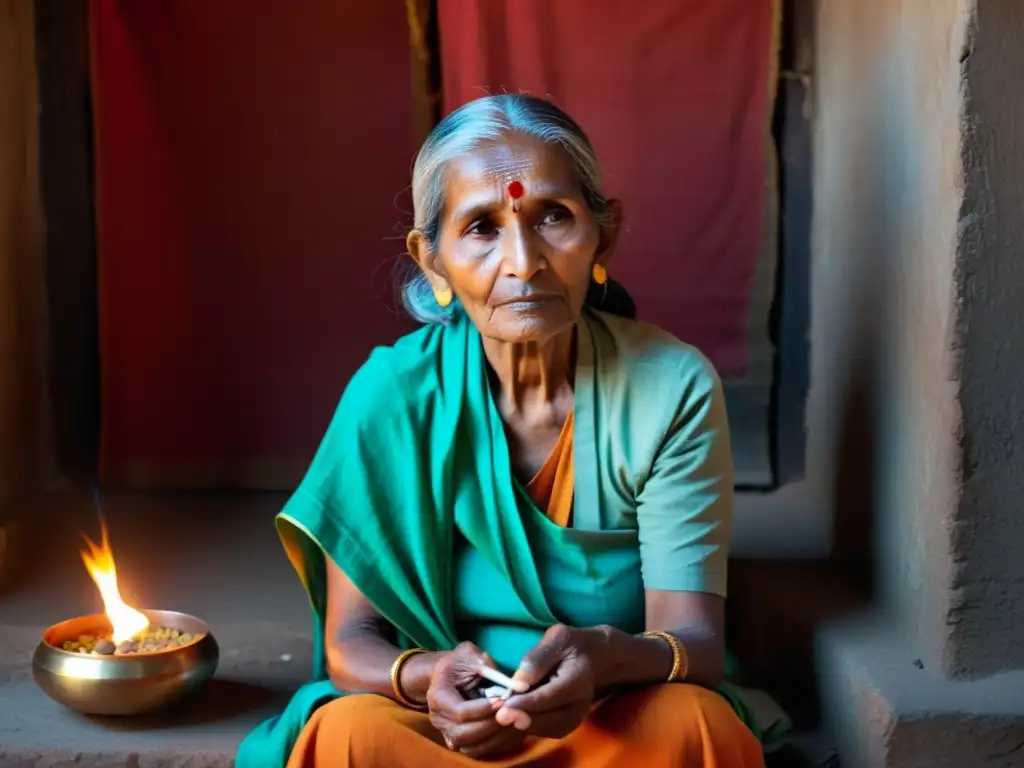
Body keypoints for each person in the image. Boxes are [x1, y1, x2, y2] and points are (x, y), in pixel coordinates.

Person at [236, 94, 765, 767]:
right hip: (441, 726)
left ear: (604, 236)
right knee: (346, 735)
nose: (523, 261)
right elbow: (351, 643)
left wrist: (603, 658)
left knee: (696, 725)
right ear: (433, 262)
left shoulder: (669, 387)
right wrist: (426, 677)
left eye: (553, 218)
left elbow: (693, 640)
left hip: (611, 711)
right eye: (482, 228)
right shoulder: (394, 396)